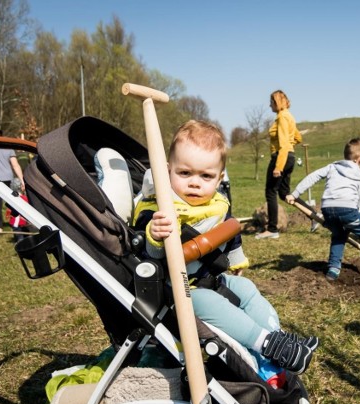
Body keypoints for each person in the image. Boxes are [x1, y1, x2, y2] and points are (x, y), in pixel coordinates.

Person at [133, 120, 318, 380]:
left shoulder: (217, 204)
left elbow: (230, 234)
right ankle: (266, 344)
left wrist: (236, 263)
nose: (195, 183)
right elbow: (145, 256)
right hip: (179, 290)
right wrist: (154, 235)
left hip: (212, 277)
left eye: (206, 176)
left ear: (219, 178)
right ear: (167, 171)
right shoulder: (158, 209)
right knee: (211, 303)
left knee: (247, 290)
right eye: (184, 173)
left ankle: (279, 340)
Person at [286, 138, 360, 281]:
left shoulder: (332, 167)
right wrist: (350, 218)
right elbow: (357, 200)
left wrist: (295, 194)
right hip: (348, 211)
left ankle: (333, 269)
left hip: (327, 209)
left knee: (339, 235)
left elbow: (312, 177)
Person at [255, 90, 302, 240]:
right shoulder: (290, 116)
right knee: (285, 194)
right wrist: (290, 146)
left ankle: (272, 229)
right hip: (290, 156)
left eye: (271, 102)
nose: (269, 105)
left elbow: (282, 144)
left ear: (276, 102)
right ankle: (313, 215)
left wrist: (278, 166)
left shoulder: (281, 117)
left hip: (281, 157)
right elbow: (298, 137)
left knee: (271, 192)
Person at [5, 178, 31, 242]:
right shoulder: (24, 198)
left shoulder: (12, 198)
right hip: (22, 221)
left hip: (16, 222)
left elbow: (9, 210)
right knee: (23, 236)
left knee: (19, 235)